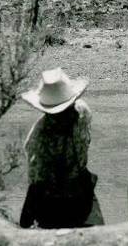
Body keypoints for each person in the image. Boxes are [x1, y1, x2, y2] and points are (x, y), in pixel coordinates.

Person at [18, 68, 104, 229]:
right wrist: (24, 224)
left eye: (69, 107)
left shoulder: (82, 112)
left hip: (81, 187)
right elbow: (36, 186)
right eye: (60, 113)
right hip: (52, 200)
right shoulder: (38, 139)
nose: (68, 114)